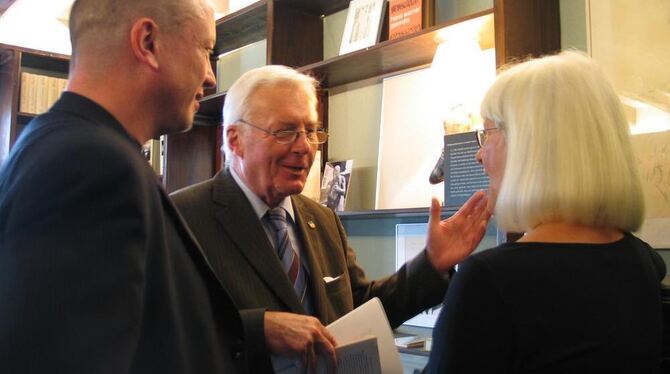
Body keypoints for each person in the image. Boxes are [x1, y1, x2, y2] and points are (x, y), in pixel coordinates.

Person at [170, 65, 491, 372]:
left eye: (311, 131)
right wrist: (259, 329)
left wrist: (432, 264)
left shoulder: (322, 219)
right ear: (234, 139)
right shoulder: (183, 217)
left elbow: (361, 309)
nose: (304, 147)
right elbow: (165, 327)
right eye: (285, 131)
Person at [0, 1, 256, 372]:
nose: (210, 77)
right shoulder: (91, 165)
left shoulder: (68, 148)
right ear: (148, 42)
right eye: (206, 50)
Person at [424, 51, 667, 373]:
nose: (479, 156)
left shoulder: (490, 280)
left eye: (487, 133)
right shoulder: (642, 260)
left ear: (529, 144)